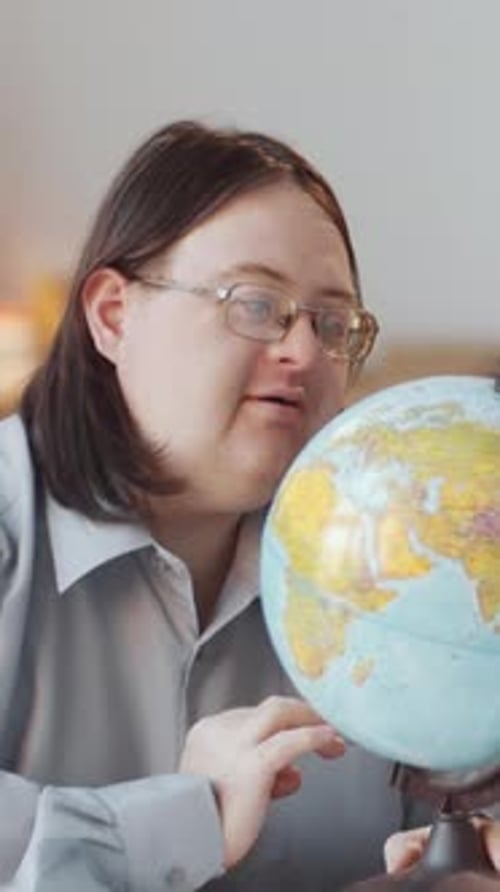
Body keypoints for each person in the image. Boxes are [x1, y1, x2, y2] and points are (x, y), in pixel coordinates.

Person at [0, 119, 498, 891]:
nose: (303, 352)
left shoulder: (412, 564)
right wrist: (182, 817)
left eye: (332, 324)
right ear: (112, 315)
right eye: (256, 304)